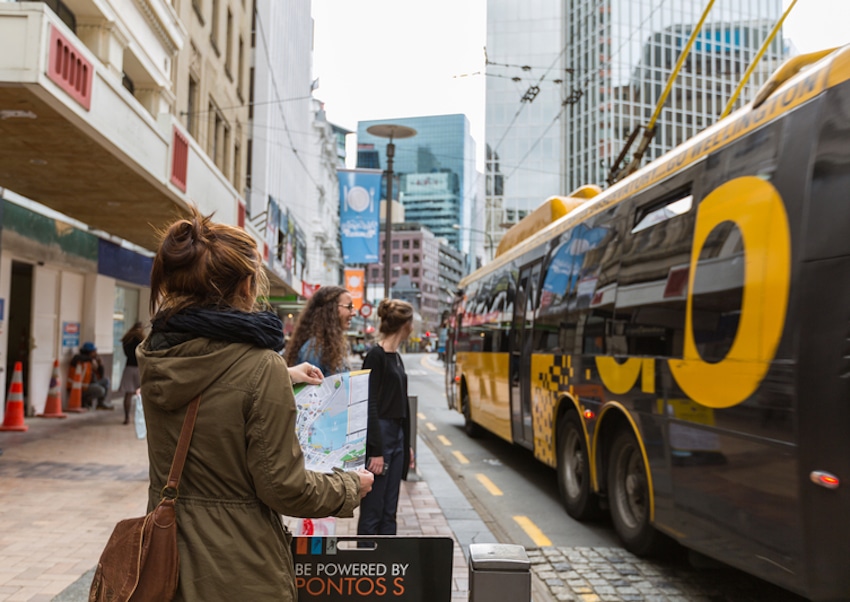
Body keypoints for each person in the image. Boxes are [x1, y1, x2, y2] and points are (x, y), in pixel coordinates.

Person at [137, 208, 373, 601]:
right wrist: (349, 487)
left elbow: (213, 386)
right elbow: (285, 488)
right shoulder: (258, 366)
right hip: (237, 570)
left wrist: (281, 374)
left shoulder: (156, 353)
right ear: (246, 286)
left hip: (166, 562)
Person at [357, 298, 414, 536]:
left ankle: (386, 566)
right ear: (405, 324)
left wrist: (407, 444)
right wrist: (376, 450)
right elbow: (368, 404)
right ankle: (367, 564)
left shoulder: (397, 357)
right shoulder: (375, 356)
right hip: (381, 436)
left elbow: (403, 403)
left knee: (390, 509)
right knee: (373, 509)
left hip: (397, 437)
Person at [284, 285, 356, 377]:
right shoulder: (314, 349)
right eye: (349, 307)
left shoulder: (328, 346)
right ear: (331, 309)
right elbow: (312, 389)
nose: (354, 313)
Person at [68, 342, 112, 409]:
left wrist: (100, 365)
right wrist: (91, 360)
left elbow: (101, 376)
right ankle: (84, 401)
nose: (95, 354)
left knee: (106, 381)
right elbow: (77, 358)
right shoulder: (79, 359)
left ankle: (100, 404)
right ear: (88, 352)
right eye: (93, 352)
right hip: (80, 387)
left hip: (89, 383)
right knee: (100, 390)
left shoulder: (92, 361)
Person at [117, 322, 145, 424]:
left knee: (128, 394)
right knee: (143, 393)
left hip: (129, 367)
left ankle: (127, 417)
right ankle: (143, 417)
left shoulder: (126, 339)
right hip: (139, 368)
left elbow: (126, 354)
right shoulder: (142, 339)